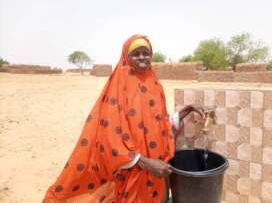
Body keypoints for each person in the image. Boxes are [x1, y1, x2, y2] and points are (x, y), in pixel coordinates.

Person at [43, 34, 206, 203]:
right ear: (126, 57)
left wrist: (185, 111)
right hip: (133, 170)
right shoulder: (119, 86)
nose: (142, 57)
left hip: (156, 170)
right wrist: (144, 162)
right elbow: (110, 135)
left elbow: (159, 122)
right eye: (136, 53)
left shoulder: (155, 84)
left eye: (146, 52)